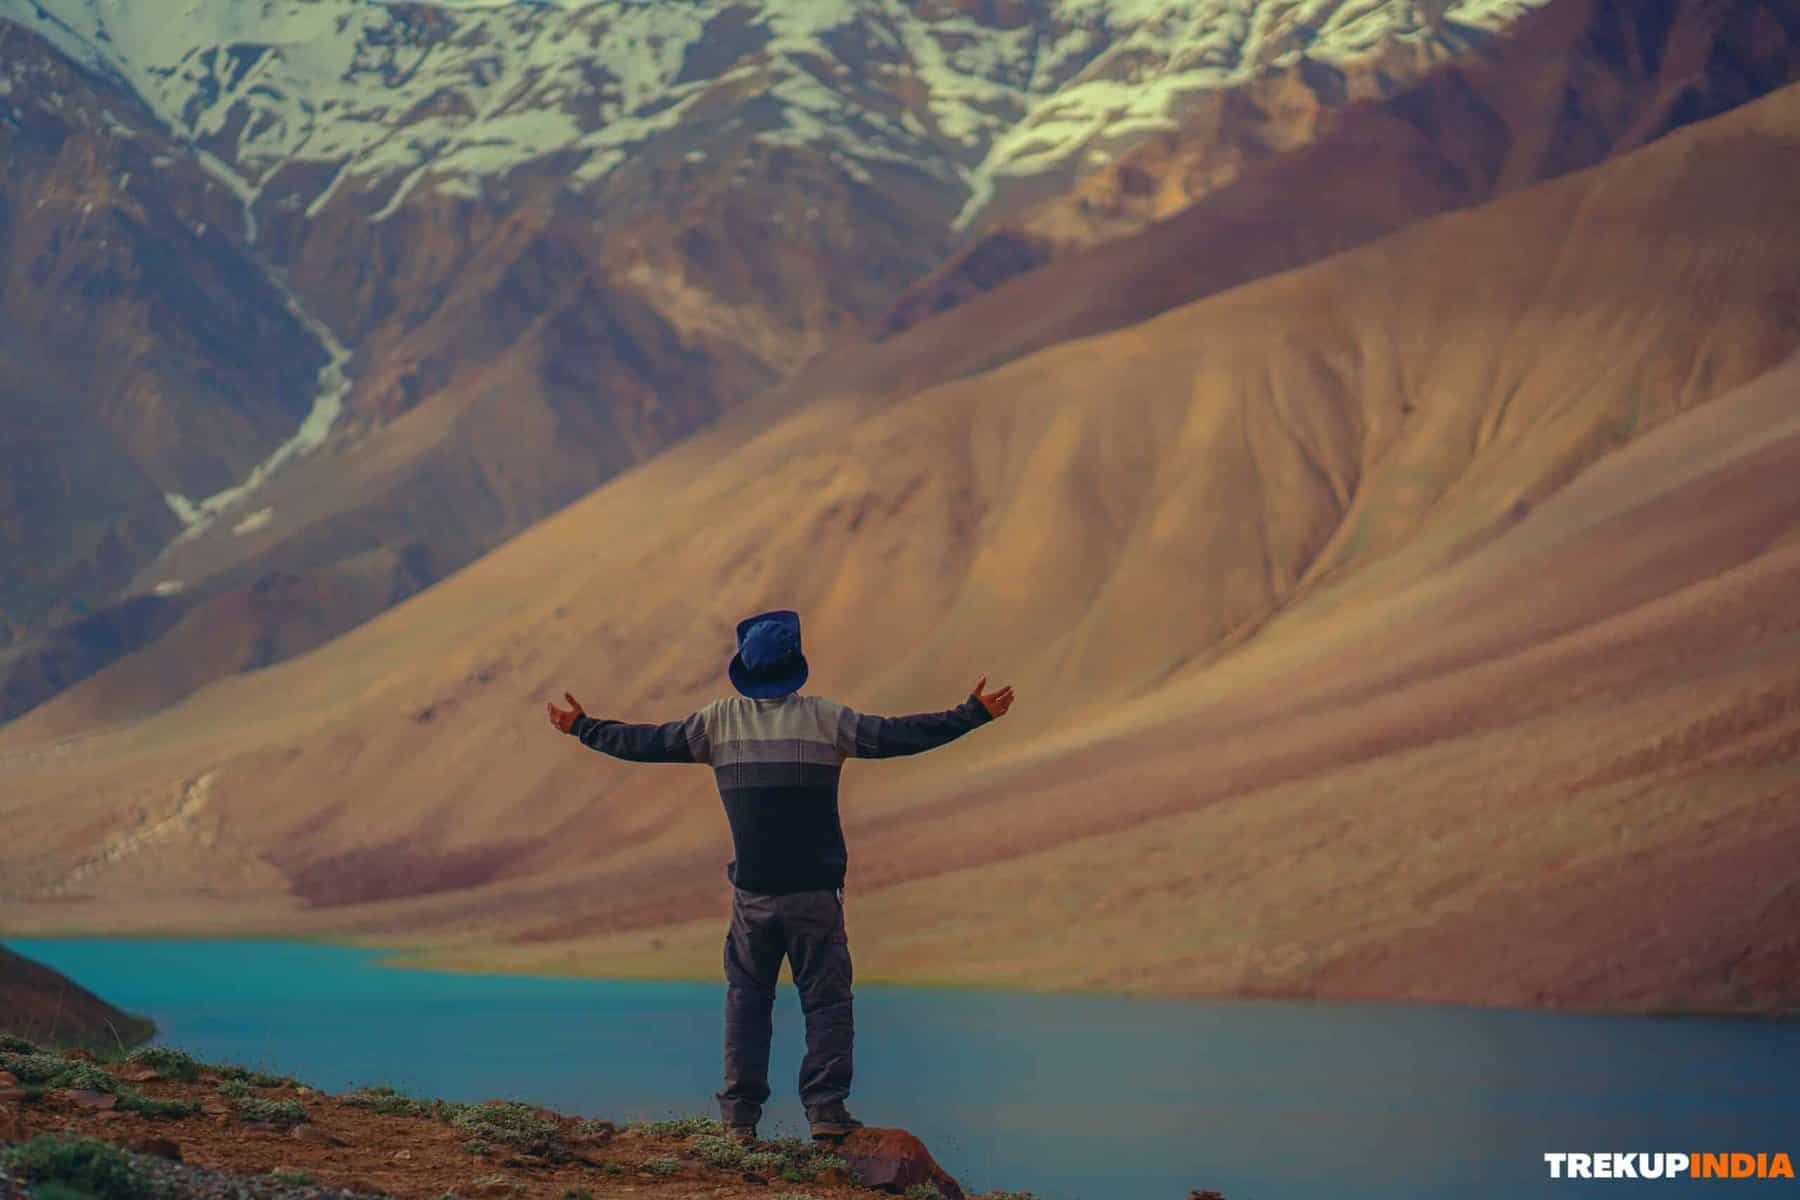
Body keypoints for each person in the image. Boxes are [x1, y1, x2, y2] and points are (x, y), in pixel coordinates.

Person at [547, 608, 1013, 1143]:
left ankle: (739, 1122)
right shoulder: (826, 720)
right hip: (815, 895)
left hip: (753, 898)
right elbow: (898, 736)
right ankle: (827, 1114)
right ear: (795, 667)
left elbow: (645, 743)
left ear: (746, 668)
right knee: (827, 1002)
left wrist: (583, 727)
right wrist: (970, 714)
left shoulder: (717, 723)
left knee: (747, 1003)